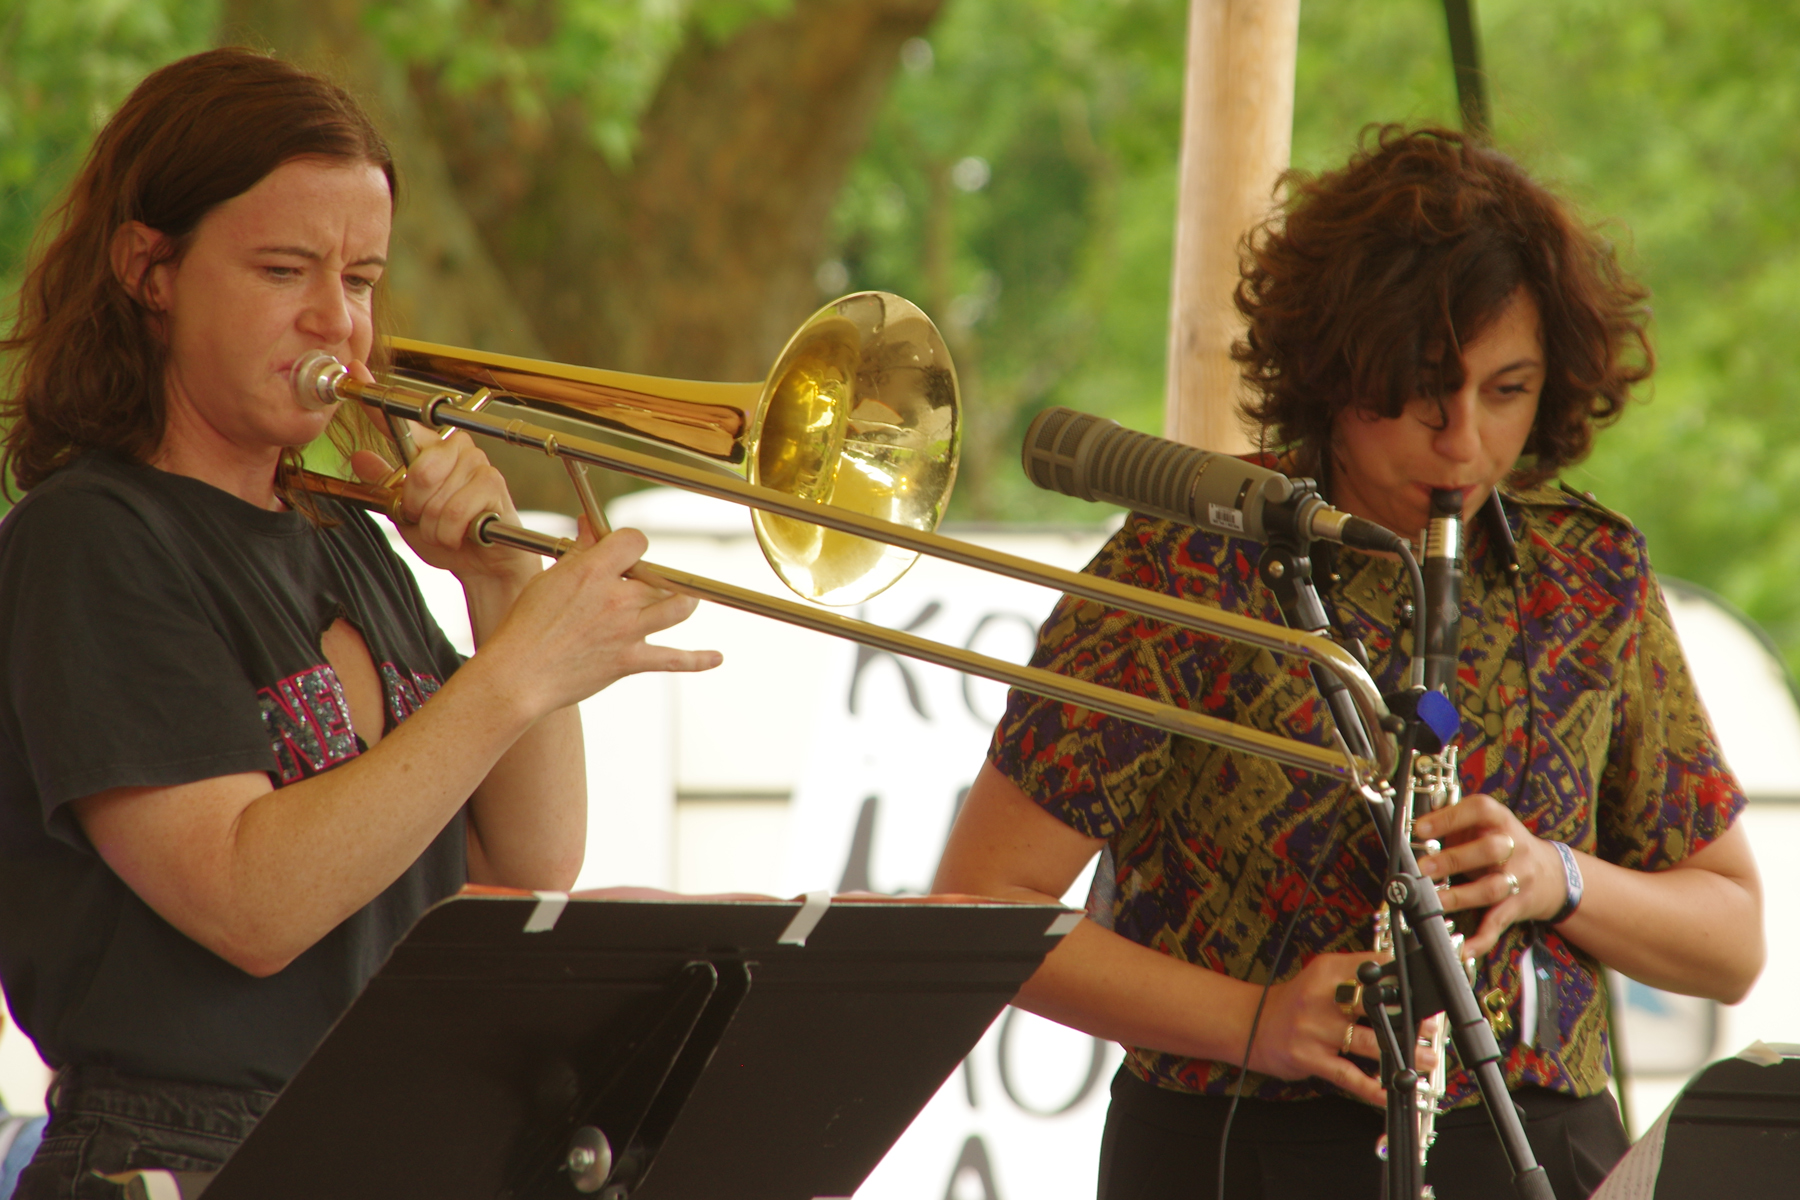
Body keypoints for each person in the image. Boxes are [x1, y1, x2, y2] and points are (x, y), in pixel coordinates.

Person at [934, 126, 1764, 1200]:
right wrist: (1261, 1022)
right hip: (1235, 1148)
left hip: (1539, 1148)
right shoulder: (1185, 561)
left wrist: (1552, 876)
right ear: (1336, 367)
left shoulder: (1589, 574)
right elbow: (981, 908)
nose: (1463, 440)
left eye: (1506, 391)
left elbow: (1731, 939)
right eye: (1421, 389)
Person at [0, 48, 721, 1197]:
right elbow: (250, 902)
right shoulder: (91, 538)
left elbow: (522, 859)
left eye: (365, 279)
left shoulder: (345, 538)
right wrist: (519, 673)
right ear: (151, 267)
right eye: (286, 269)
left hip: (394, 1138)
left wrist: (496, 592)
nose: (338, 320)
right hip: (182, 1156)